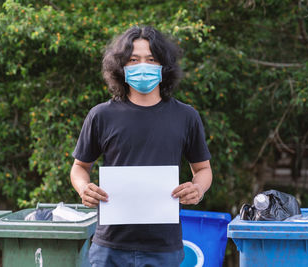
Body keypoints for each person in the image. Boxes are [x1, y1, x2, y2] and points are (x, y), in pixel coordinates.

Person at [70, 25, 212, 267]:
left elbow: (203, 170)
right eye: (133, 59)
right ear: (121, 67)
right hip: (109, 246)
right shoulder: (101, 115)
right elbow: (79, 167)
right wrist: (84, 188)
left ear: (164, 66)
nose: (142, 66)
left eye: (151, 59)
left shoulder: (186, 116)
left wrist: (197, 189)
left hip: (164, 247)